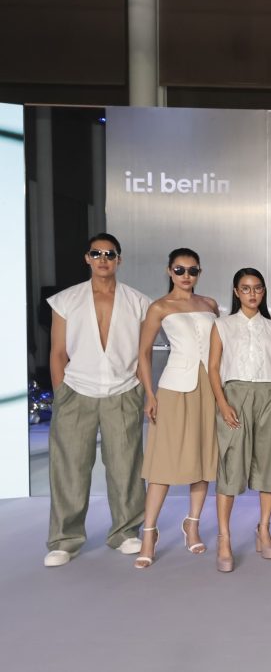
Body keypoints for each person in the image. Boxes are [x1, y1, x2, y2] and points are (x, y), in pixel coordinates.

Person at [43, 233, 151, 567]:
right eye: (97, 253)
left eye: (110, 254)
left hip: (124, 390)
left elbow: (144, 353)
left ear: (119, 259)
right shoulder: (66, 300)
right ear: (87, 258)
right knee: (69, 468)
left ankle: (125, 532)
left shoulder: (138, 301)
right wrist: (61, 394)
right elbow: (57, 352)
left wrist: (143, 391)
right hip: (76, 391)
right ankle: (64, 540)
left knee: (126, 467)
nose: (103, 259)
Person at [134, 248, 220, 569]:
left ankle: (192, 524)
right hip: (173, 387)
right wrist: (149, 394)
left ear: (199, 272)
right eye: (180, 270)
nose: (186, 276)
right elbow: (143, 353)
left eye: (192, 270)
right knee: (163, 462)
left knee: (204, 457)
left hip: (209, 387)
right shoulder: (159, 307)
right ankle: (149, 533)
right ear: (170, 271)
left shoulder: (210, 304)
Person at [208, 268, 271, 572]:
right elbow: (213, 367)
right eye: (245, 288)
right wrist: (222, 403)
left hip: (270, 397)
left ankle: (264, 529)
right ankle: (224, 538)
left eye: (257, 288)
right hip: (235, 396)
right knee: (231, 466)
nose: (252, 294)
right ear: (236, 292)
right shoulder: (222, 325)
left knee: (269, 464)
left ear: (263, 291)